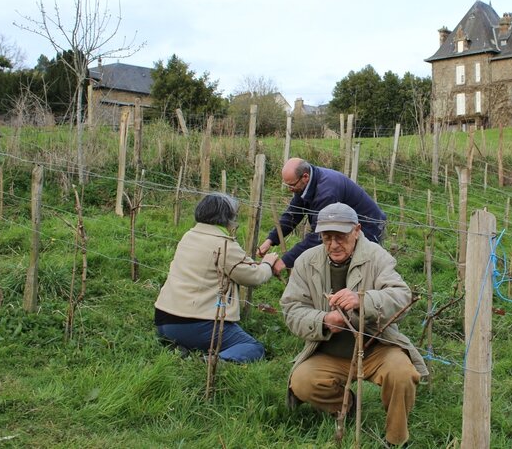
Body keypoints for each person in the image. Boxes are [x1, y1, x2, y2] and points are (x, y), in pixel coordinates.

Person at [280, 202, 427, 447]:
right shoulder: (307, 262)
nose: (334, 244)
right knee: (302, 381)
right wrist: (324, 321)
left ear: (357, 230)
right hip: (329, 350)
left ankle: (396, 439)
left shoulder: (376, 257)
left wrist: (363, 300)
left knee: (402, 374)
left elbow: (401, 297)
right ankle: (345, 407)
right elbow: (292, 309)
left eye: (341, 237)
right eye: (327, 237)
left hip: (376, 346)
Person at [154, 192, 281, 363]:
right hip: (193, 323)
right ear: (227, 217)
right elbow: (253, 277)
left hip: (163, 319)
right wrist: (268, 264)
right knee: (253, 348)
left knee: (201, 336)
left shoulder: (189, 235)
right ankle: (209, 361)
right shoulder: (223, 243)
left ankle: (183, 347)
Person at [258, 157, 387, 273]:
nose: (289, 189)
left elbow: (318, 236)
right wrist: (270, 240)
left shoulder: (326, 192)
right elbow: (293, 214)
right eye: (287, 184)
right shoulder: (306, 183)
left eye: (291, 185)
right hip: (345, 224)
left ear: (305, 177)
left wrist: (285, 261)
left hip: (368, 227)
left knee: (359, 268)